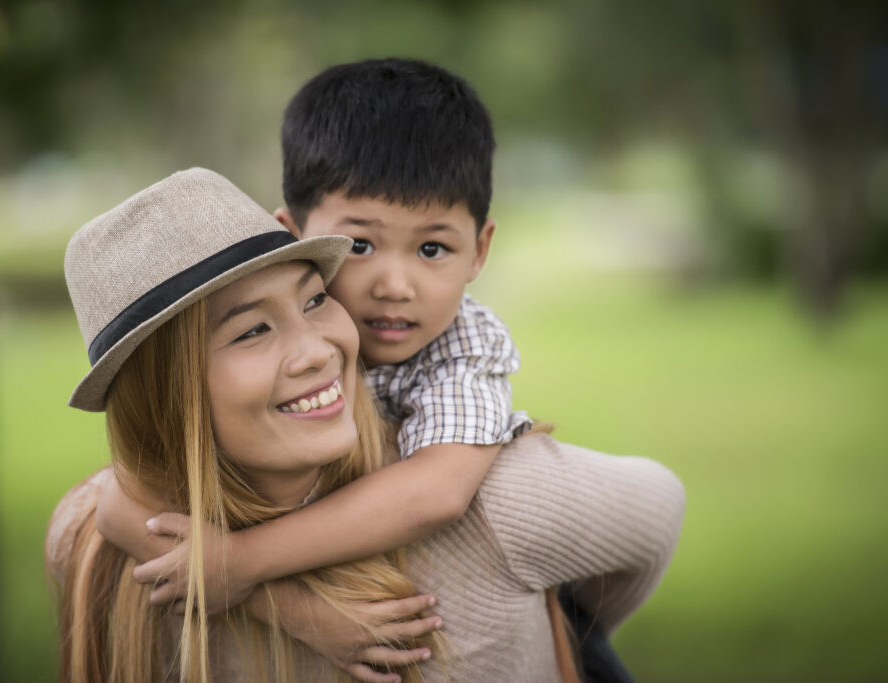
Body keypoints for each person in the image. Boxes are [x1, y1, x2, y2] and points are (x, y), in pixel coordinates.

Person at [101, 59, 666, 680]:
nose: (394, 286)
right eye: (361, 246)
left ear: (479, 251)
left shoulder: (464, 349)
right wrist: (285, 606)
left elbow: (436, 493)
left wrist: (243, 560)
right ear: (291, 235)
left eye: (432, 249)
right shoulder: (311, 325)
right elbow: (112, 503)